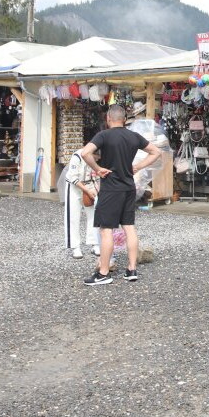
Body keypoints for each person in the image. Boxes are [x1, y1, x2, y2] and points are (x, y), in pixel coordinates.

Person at [77, 105, 161, 286]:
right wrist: (138, 166)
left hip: (110, 188)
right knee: (129, 227)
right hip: (129, 187)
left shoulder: (103, 135)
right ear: (124, 120)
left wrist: (97, 168)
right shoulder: (134, 136)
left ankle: (103, 273)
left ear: (108, 118)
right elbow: (157, 152)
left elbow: (85, 153)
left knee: (106, 229)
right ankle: (131, 269)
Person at [63, 149, 100, 259]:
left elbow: (97, 176)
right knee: (73, 216)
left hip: (90, 185)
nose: (98, 159)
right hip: (74, 186)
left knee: (94, 214)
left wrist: (97, 189)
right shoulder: (77, 156)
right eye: (97, 157)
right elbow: (73, 177)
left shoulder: (97, 159)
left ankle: (95, 243)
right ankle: (75, 247)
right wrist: (86, 190)